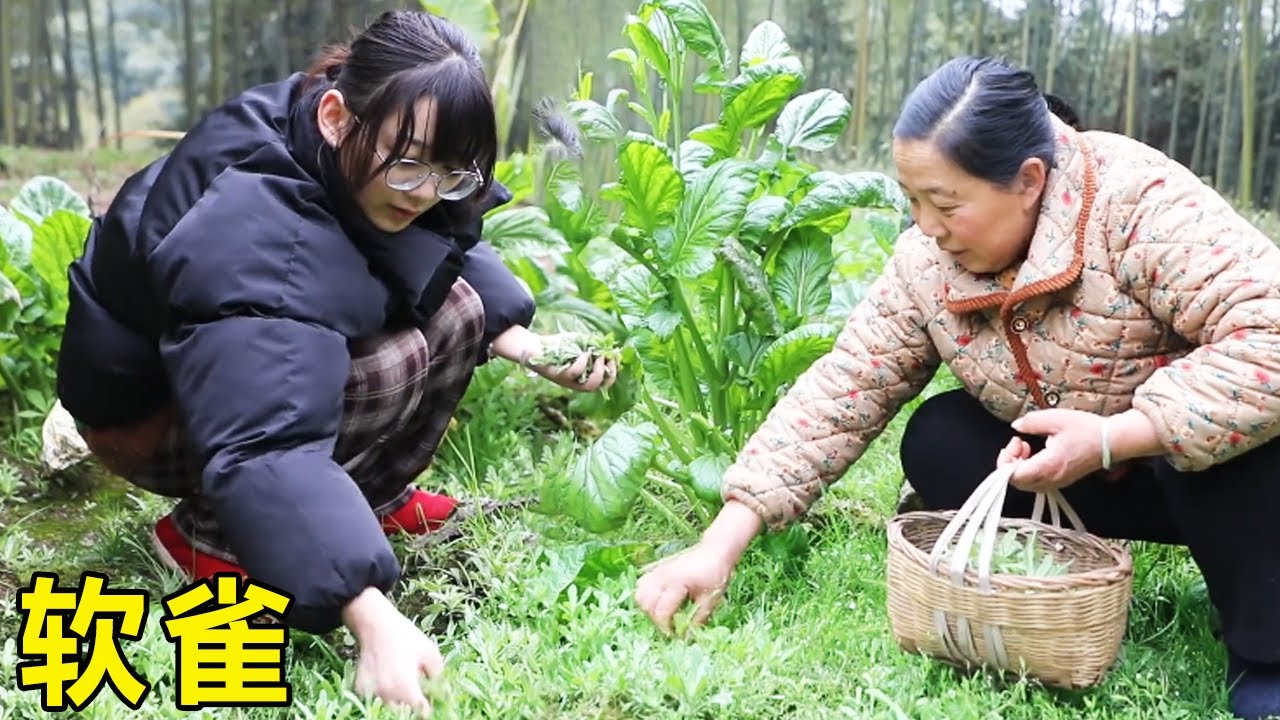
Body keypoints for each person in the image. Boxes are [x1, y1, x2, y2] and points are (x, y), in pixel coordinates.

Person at [635, 56, 1280, 720]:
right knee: (943, 437)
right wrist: (719, 545)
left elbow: (1272, 339)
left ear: (1029, 180)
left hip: (1198, 468)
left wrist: (1117, 437)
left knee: (1244, 437)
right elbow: (842, 388)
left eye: (944, 204)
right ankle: (1049, 581)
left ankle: (1266, 648)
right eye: (912, 200)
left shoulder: (1135, 201)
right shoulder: (928, 260)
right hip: (1076, 470)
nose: (926, 226)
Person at [55, 9, 614, 716]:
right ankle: (202, 539)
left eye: (448, 172)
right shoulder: (258, 223)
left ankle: (368, 502)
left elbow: (444, 242)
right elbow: (264, 433)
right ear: (334, 117)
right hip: (152, 413)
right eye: (409, 164)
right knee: (393, 360)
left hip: (219, 377)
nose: (423, 190)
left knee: (463, 313)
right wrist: (370, 615)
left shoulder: (364, 127)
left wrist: (529, 344)